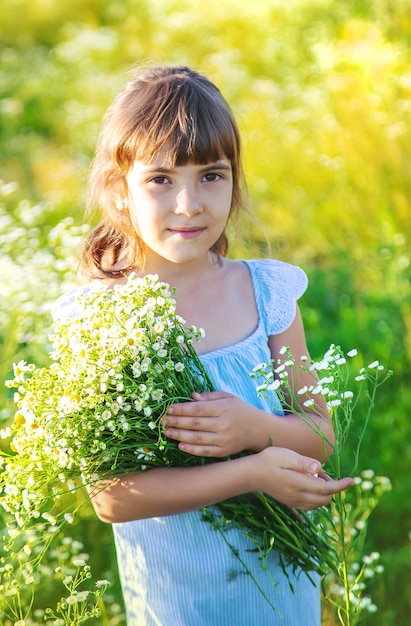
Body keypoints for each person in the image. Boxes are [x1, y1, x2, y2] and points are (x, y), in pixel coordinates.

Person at [53, 65, 354, 625]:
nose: (189, 204)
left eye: (211, 176)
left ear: (235, 180)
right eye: (161, 180)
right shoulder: (102, 321)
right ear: (120, 191)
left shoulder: (266, 292)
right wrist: (248, 471)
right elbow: (112, 499)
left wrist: (251, 430)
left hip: (281, 584)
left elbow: (320, 434)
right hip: (181, 598)